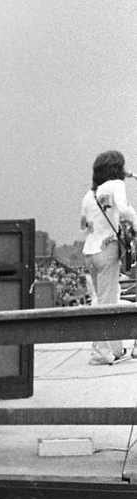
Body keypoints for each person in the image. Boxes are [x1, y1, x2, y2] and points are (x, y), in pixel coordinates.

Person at [80, 150, 137, 364]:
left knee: (104, 298)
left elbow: (83, 225)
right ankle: (101, 353)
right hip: (107, 249)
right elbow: (124, 209)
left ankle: (115, 347)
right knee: (107, 304)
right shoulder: (116, 186)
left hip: (90, 252)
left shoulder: (89, 195)